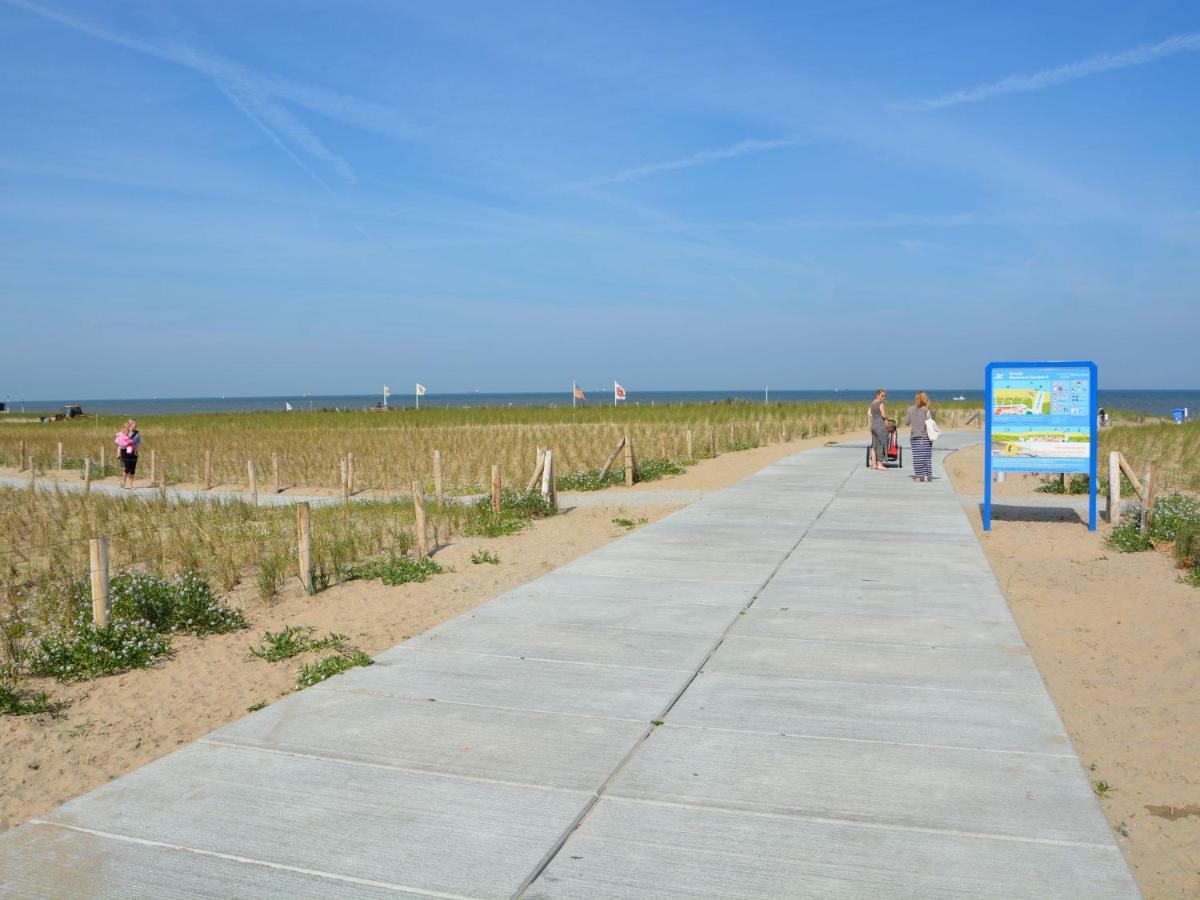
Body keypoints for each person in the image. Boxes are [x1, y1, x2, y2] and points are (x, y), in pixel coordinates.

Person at [906, 391, 934, 482]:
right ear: (924, 398)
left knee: (917, 457)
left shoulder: (910, 409)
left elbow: (907, 422)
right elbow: (931, 422)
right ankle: (926, 477)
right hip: (925, 437)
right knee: (926, 457)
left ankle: (918, 477)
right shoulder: (927, 410)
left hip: (914, 437)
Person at [867, 389, 889, 470]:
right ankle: (879, 464)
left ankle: (874, 464)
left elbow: (868, 413)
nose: (884, 397)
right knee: (881, 444)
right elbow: (883, 415)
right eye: (882, 395)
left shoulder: (872, 403)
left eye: (885, 396)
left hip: (873, 426)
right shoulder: (881, 404)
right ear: (878, 395)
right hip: (880, 426)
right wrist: (887, 418)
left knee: (874, 445)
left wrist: (875, 417)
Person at [115, 419, 140, 488]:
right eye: (133, 424)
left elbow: (137, 444)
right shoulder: (124, 432)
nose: (135, 426)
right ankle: (123, 480)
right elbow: (119, 444)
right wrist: (118, 454)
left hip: (133, 452)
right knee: (127, 468)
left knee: (133, 469)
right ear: (130, 424)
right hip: (125, 451)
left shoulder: (137, 433)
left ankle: (130, 485)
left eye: (136, 424)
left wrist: (136, 452)